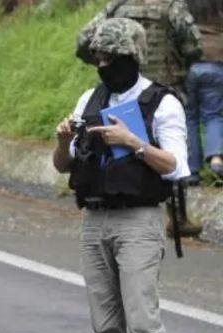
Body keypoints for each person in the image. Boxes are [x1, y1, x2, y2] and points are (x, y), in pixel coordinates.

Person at [54, 18, 191, 333]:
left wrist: (133, 141)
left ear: (131, 57)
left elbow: (176, 167)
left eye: (110, 58)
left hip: (139, 221)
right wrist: (61, 141)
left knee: (143, 321)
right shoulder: (89, 99)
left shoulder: (162, 103)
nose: (103, 65)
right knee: (104, 324)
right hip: (94, 220)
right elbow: (63, 164)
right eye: (98, 58)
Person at [77, 0, 203, 237]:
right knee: (170, 149)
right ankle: (178, 216)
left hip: (118, 89)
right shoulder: (171, 7)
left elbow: (84, 40)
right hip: (161, 87)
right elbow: (193, 46)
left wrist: (105, 59)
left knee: (117, 146)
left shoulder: (117, 6)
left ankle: (113, 197)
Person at [185, 0, 223, 178]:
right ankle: (216, 159)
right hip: (216, 58)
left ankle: (192, 169)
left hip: (189, 63)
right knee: (213, 114)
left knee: (189, 117)